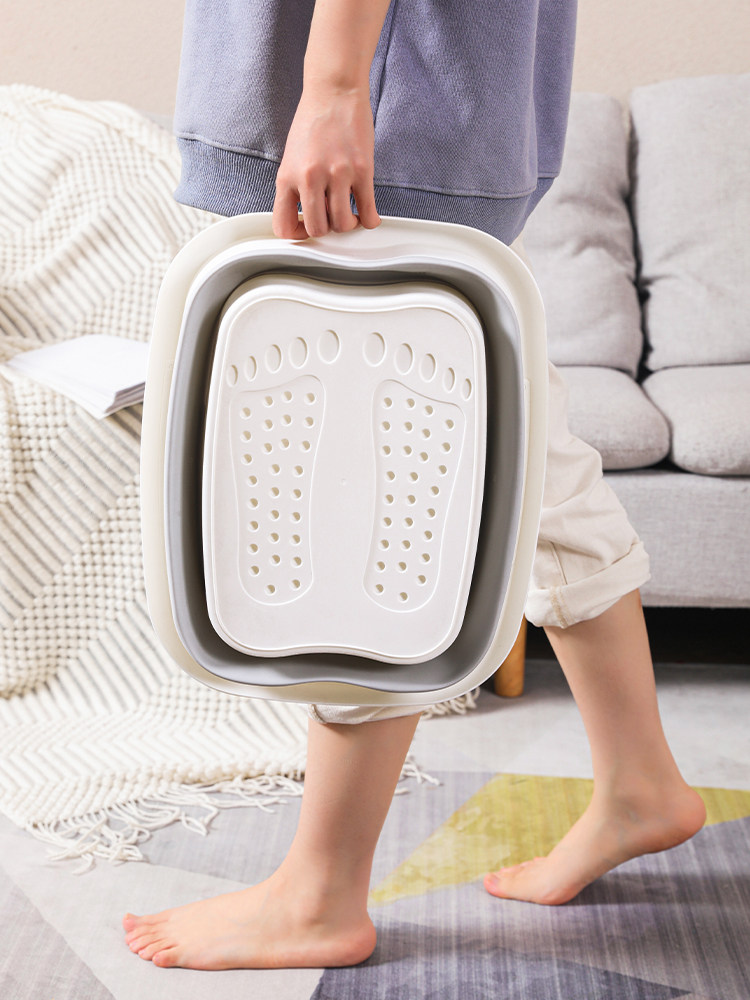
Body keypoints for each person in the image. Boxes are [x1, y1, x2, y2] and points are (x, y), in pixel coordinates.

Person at [123, 0, 706, 970]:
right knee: (524, 452)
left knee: (385, 483)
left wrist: (335, 85)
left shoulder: (350, 92)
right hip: (423, 92)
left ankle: (321, 894)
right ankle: (640, 779)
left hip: (380, 98)